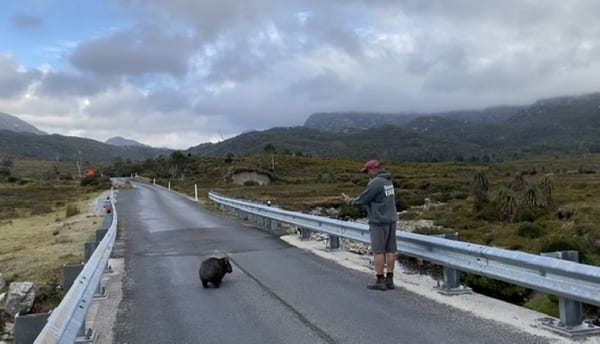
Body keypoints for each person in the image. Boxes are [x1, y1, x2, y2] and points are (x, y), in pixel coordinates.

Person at [343, 159, 397, 291]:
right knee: (390, 250)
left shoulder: (376, 183)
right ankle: (390, 279)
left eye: (367, 171)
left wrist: (349, 201)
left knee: (378, 251)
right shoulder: (388, 180)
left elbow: (363, 199)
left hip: (379, 221)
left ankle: (380, 280)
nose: (367, 174)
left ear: (373, 169)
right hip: (391, 219)